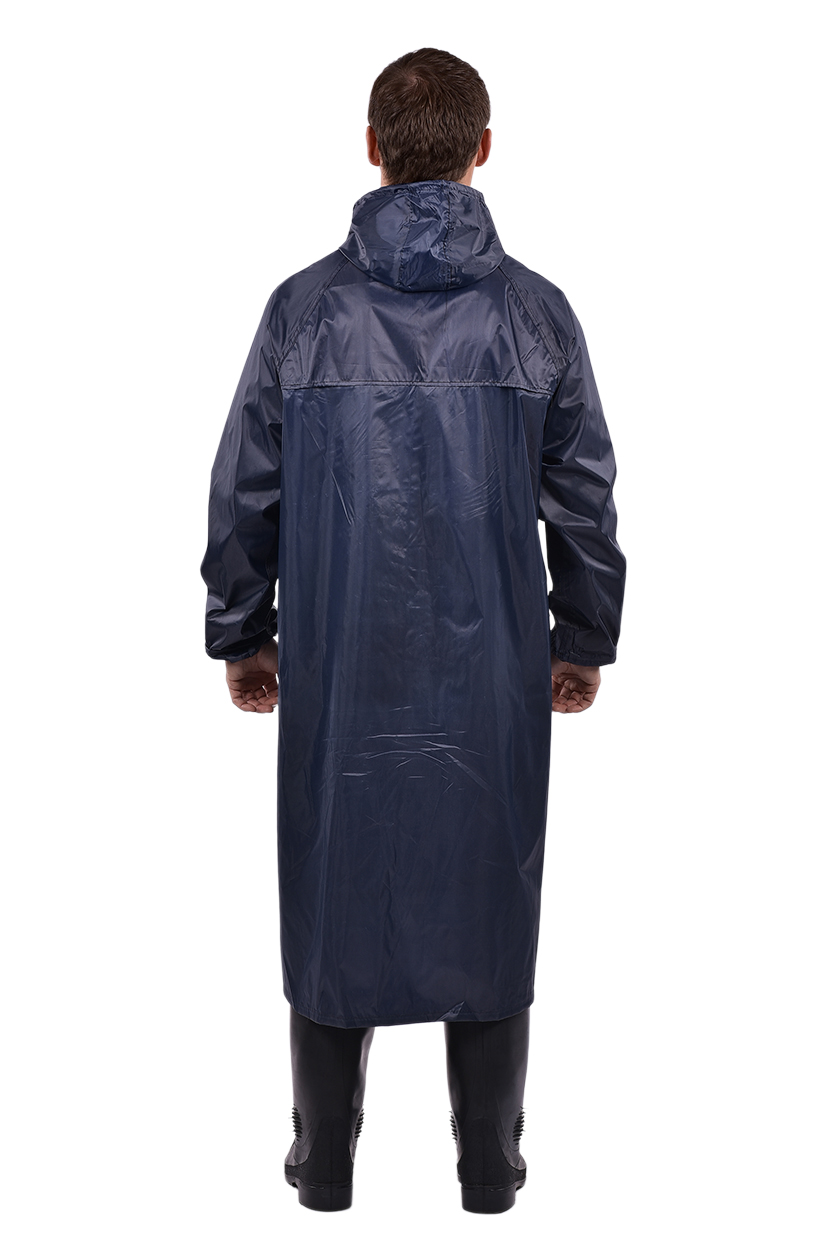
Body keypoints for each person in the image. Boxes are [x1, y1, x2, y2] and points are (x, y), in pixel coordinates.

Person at [200, 47, 626, 1215]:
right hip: (491, 674)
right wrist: (582, 635)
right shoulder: (535, 314)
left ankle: (323, 1163)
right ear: (484, 150)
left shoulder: (304, 311)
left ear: (371, 149)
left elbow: (244, 489)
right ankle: (489, 1167)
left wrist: (243, 632)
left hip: (341, 665)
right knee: (488, 889)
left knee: (335, 884)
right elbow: (583, 494)